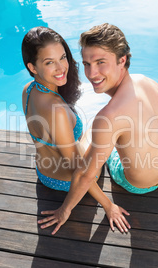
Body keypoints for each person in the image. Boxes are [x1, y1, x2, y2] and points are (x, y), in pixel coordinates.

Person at [38, 23, 158, 235]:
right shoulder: (149, 82)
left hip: (137, 185)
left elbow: (85, 175)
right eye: (87, 64)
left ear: (122, 60)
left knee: (90, 134)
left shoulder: (108, 116)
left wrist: (64, 210)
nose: (91, 73)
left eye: (100, 63)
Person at [21, 26, 129, 231]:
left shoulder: (29, 89)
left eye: (62, 57)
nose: (61, 68)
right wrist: (108, 205)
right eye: (49, 62)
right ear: (33, 67)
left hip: (44, 172)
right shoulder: (56, 111)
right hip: (67, 181)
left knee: (97, 130)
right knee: (111, 129)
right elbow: (79, 169)